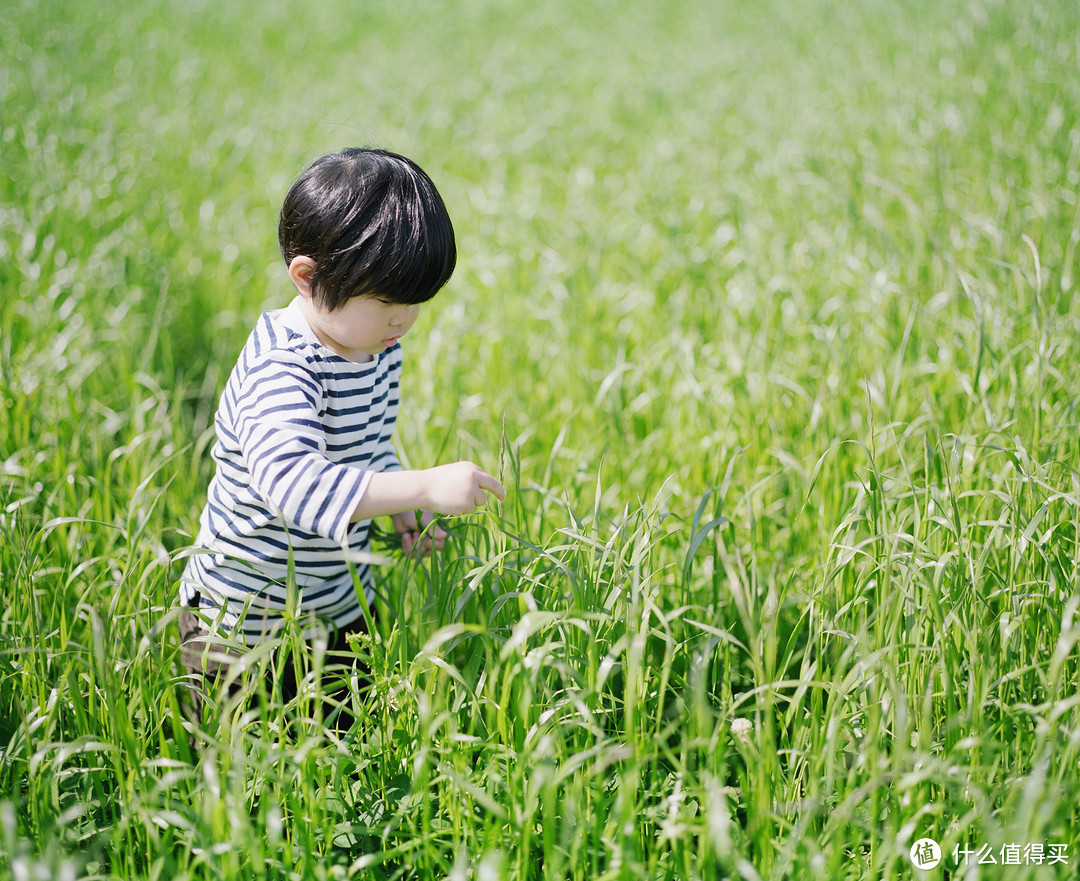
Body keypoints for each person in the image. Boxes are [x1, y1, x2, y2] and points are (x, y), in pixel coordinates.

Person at [177, 148, 505, 719]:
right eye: (386, 302)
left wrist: (397, 499)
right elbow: (298, 486)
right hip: (244, 625)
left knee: (345, 752)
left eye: (415, 304)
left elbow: (368, 440)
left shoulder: (372, 344)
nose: (403, 321)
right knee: (242, 775)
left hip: (336, 601)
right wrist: (423, 487)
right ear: (307, 278)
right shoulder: (282, 371)